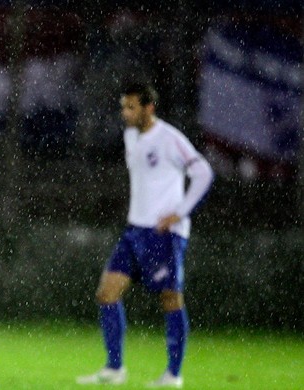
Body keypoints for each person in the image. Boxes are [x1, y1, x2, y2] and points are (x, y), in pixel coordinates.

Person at [77, 83, 213, 388]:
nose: (125, 113)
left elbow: (203, 172)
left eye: (131, 107)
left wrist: (181, 212)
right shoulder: (130, 136)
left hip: (164, 233)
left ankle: (173, 375)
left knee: (170, 298)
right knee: (107, 292)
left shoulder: (169, 138)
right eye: (123, 106)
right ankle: (114, 369)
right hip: (135, 230)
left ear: (148, 108)